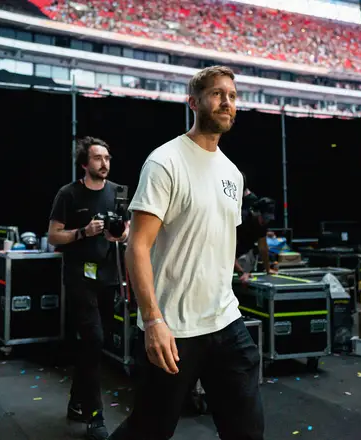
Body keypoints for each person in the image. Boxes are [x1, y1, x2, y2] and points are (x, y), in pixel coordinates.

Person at [109, 65, 264, 440]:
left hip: (225, 321)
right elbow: (137, 247)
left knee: (247, 431)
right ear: (193, 102)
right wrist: (153, 321)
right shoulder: (165, 162)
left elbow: (219, 241)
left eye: (232, 95)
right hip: (174, 328)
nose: (226, 102)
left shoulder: (232, 172)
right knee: (149, 429)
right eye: (216, 94)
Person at [47, 136, 129, 440]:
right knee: (93, 339)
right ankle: (95, 415)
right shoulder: (68, 194)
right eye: (98, 158)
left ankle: (75, 400)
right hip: (79, 277)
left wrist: (119, 235)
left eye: (107, 158)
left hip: (109, 276)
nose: (104, 163)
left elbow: (127, 227)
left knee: (96, 343)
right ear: (85, 163)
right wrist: (83, 231)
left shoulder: (118, 192)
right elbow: (54, 236)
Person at [235, 197, 277, 282]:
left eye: (268, 219)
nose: (266, 221)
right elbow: (228, 251)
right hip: (228, 253)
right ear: (256, 213)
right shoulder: (240, 220)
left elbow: (263, 248)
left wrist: (268, 269)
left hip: (243, 251)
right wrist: (241, 272)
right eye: (265, 218)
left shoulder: (262, 224)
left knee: (251, 254)